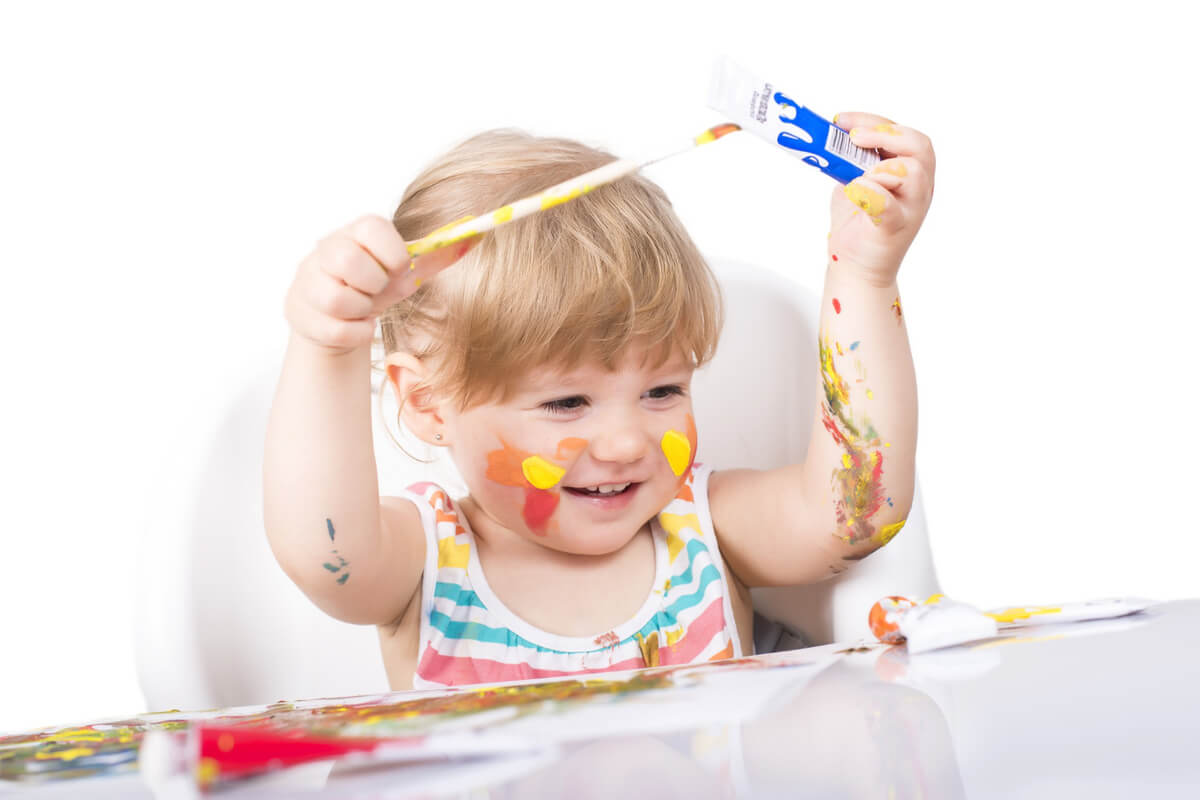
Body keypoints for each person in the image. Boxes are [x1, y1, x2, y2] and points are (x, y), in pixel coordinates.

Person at [263, 114, 933, 689]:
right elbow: (327, 555)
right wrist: (326, 348)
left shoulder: (700, 529)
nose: (625, 443)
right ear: (431, 405)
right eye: (566, 403)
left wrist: (865, 273)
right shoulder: (426, 560)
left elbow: (856, 512)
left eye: (663, 390)